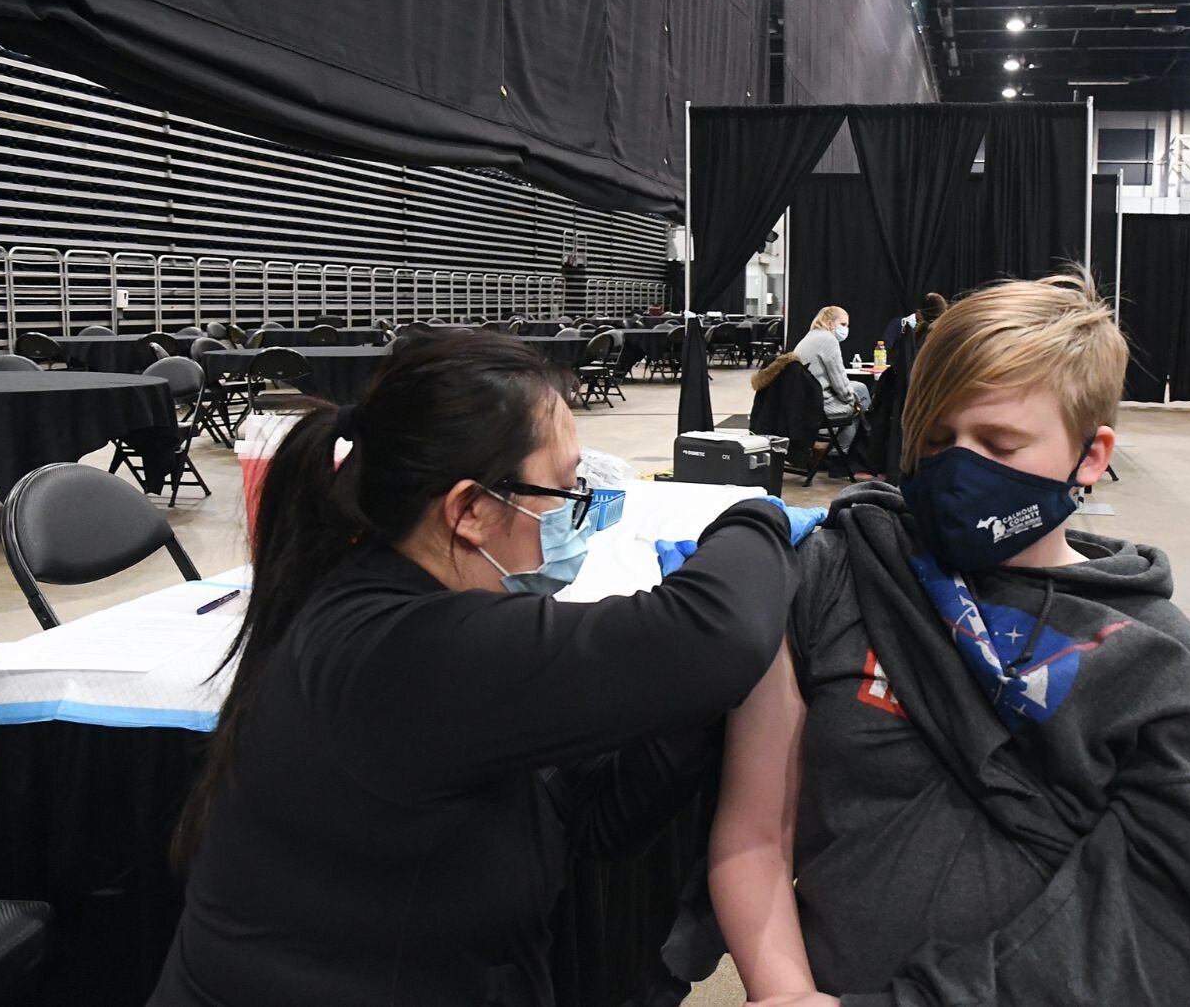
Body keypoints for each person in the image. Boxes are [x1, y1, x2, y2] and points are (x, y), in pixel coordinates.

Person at [150, 333, 822, 1006]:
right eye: (560, 490)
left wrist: (681, 710)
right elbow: (718, 634)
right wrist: (752, 515)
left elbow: (590, 818)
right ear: (469, 510)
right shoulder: (405, 650)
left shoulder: (405, 610)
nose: (570, 515)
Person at [709, 272, 1190, 1006]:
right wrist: (790, 994)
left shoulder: (1151, 663)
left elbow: (1145, 939)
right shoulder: (842, 573)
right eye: (936, 440)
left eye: (999, 443)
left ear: (1090, 456)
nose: (959, 470)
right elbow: (753, 834)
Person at [792, 305, 871, 459]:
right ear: (829, 323)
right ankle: (841, 455)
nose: (846, 329)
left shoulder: (810, 337)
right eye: (843, 325)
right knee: (860, 396)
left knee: (858, 391)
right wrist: (854, 403)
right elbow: (841, 384)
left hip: (802, 403)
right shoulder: (828, 340)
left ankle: (838, 450)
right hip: (818, 407)